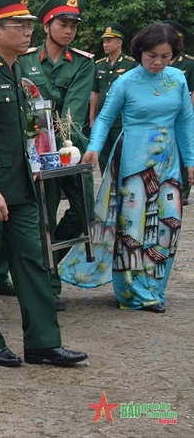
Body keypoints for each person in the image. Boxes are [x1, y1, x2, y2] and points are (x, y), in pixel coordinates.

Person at [0, 0, 87, 368]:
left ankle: (43, 343)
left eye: (30, 24)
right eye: (19, 25)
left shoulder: (16, 72)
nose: (28, 31)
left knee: (32, 261)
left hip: (20, 186)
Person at [71, 23, 194, 312]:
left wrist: (190, 162)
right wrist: (93, 148)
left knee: (167, 226)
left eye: (166, 56)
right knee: (133, 228)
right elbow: (103, 118)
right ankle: (132, 293)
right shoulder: (125, 82)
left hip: (168, 164)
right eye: (152, 55)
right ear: (139, 51)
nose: (158, 62)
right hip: (132, 163)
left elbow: (185, 123)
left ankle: (154, 288)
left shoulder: (177, 79)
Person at [18, 0, 94, 311]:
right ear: (47, 25)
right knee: (43, 216)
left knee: (83, 212)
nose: (69, 31)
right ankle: (48, 284)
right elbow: (26, 109)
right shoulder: (24, 60)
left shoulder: (82, 62)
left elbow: (72, 114)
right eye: (63, 24)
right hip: (37, 149)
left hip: (71, 148)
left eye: (74, 26)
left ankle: (47, 262)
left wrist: (66, 148)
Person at [91, 22, 137, 173]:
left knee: (122, 155)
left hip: (121, 119)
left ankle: (122, 186)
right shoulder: (99, 65)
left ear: (119, 42)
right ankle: (107, 187)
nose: (105, 44)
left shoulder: (131, 64)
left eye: (109, 40)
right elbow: (95, 92)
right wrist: (92, 118)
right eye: (104, 41)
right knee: (103, 155)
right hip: (103, 118)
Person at [163, 20, 194, 205]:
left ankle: (183, 191)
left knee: (183, 152)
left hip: (182, 114)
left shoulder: (189, 64)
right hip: (163, 115)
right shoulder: (158, 61)